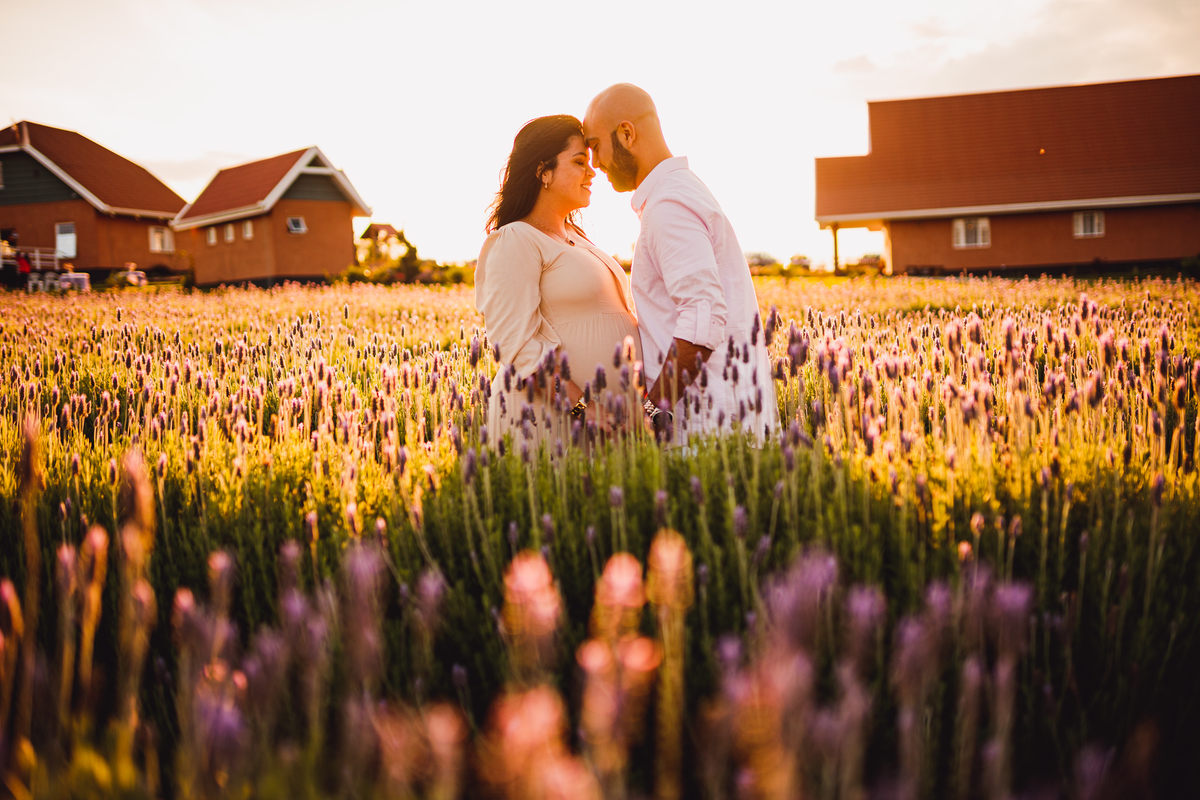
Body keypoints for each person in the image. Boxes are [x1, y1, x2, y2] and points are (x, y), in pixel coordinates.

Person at [583, 83, 780, 442]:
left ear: (626, 133)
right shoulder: (678, 193)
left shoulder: (668, 207)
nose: (594, 163)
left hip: (707, 427)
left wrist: (652, 412)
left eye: (595, 146)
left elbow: (702, 317)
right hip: (720, 416)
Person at [475, 115, 641, 449]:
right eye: (579, 162)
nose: (592, 172)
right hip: (550, 425)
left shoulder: (578, 238)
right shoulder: (516, 238)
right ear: (544, 172)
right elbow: (517, 346)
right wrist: (583, 408)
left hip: (609, 424)